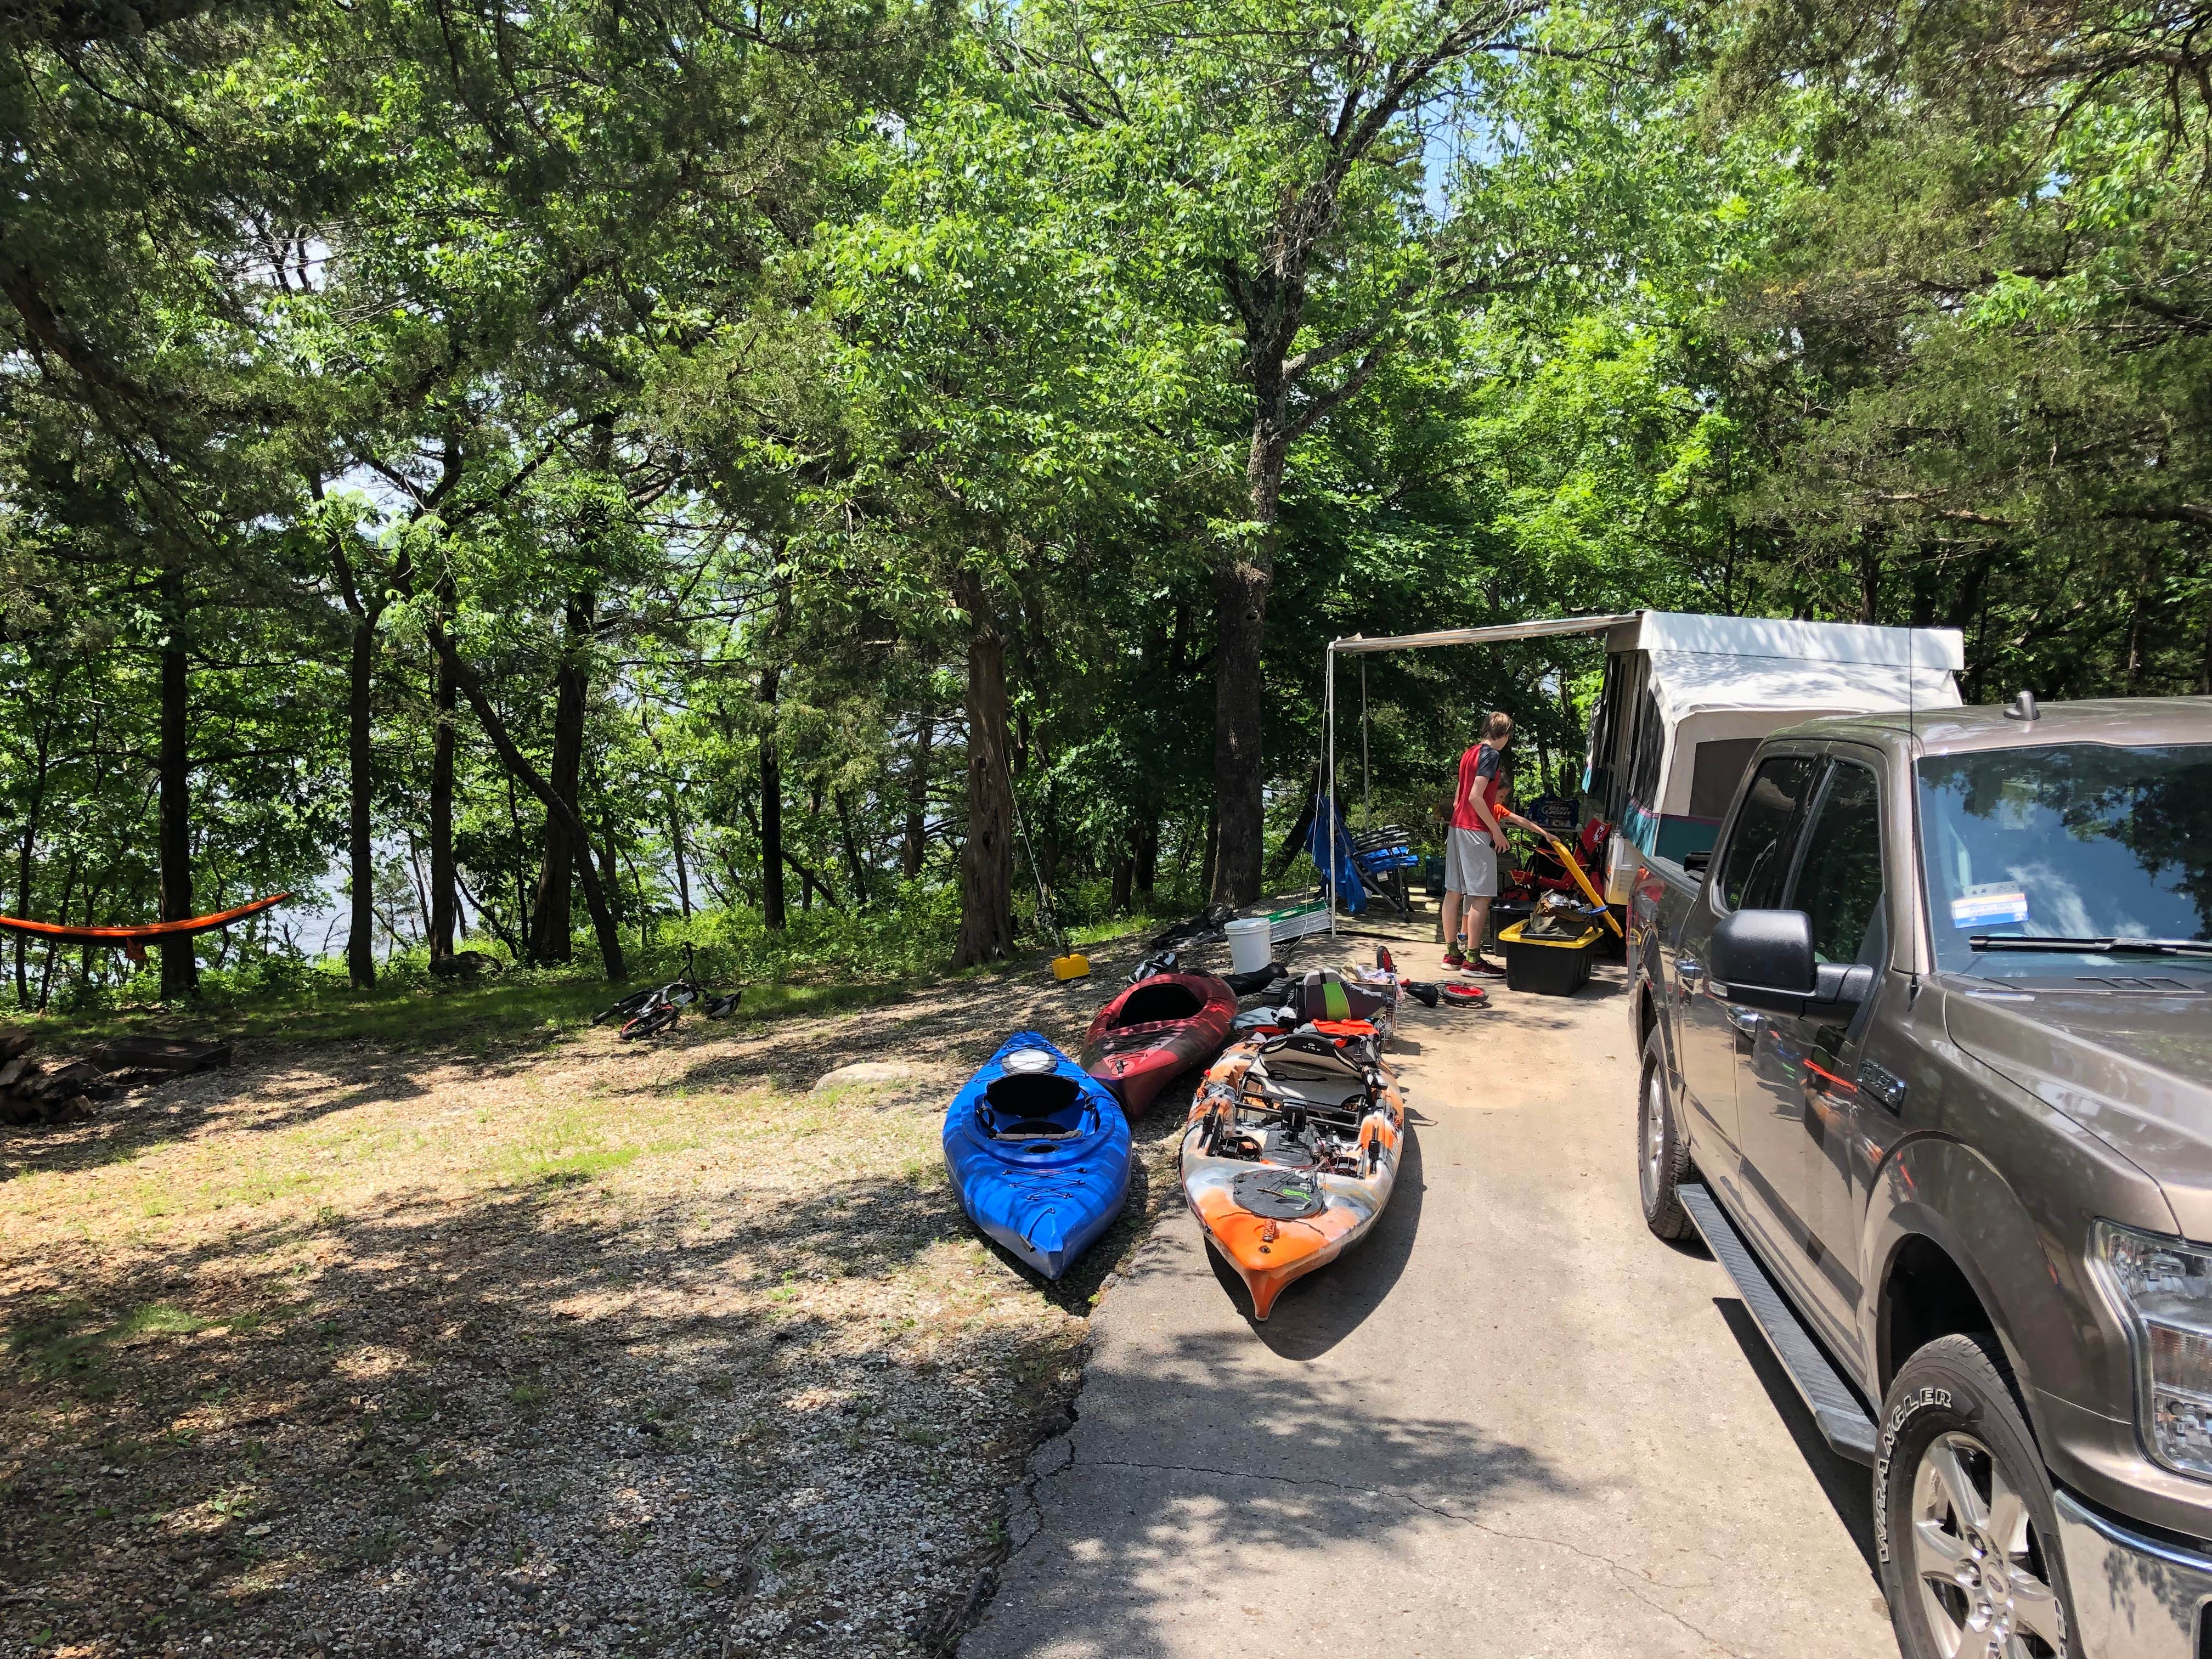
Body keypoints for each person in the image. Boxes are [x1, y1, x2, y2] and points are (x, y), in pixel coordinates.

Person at [1443, 711, 1539, 975]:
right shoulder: (1491, 756)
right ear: (1506, 735)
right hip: (1475, 829)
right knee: (1481, 895)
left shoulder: (1469, 753)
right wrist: (1496, 831)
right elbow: (1476, 797)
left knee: (1454, 891)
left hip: (1456, 826)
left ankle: (1452, 954)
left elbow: (1458, 800)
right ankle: (1473, 960)